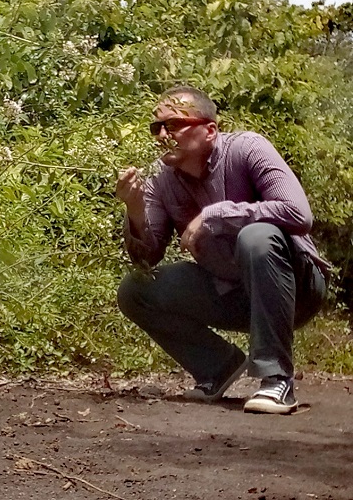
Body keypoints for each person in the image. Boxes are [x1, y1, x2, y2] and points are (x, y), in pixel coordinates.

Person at [115, 85, 329, 414]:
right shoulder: (160, 179)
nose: (162, 136)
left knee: (256, 236)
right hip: (233, 292)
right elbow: (147, 258)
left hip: (297, 288)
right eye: (156, 127)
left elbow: (298, 214)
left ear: (210, 130)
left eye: (173, 125)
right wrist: (135, 211)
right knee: (136, 289)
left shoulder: (248, 148)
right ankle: (218, 366)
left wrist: (215, 215)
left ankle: (276, 379)